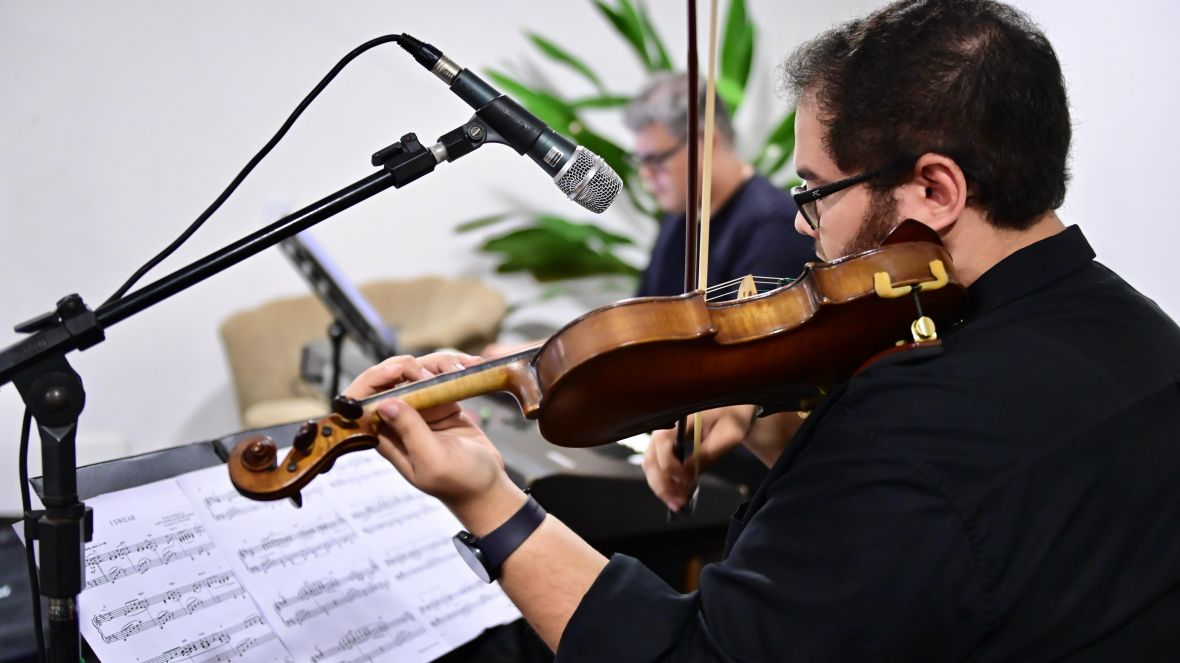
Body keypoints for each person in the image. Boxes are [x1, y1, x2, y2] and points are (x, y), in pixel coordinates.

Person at [345, 1, 1180, 659]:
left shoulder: (906, 427)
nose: (804, 228)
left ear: (935, 190)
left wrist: (486, 497)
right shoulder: (1149, 340)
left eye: (815, 189)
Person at [625, 73, 814, 297]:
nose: (646, 174)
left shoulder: (773, 225)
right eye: (640, 161)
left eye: (656, 160)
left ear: (707, 142)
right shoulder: (681, 213)